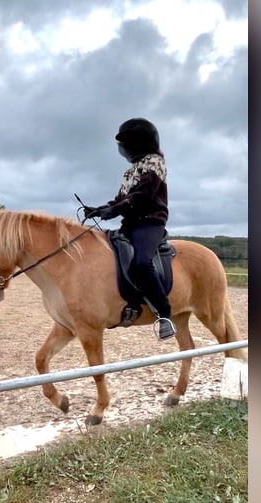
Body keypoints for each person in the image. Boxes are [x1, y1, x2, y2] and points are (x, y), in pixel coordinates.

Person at [83, 117, 176, 340]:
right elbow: (120, 199)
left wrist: (113, 211)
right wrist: (100, 209)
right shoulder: (129, 172)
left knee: (142, 263)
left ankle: (164, 314)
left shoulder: (155, 161)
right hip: (130, 224)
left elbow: (143, 196)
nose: (123, 149)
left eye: (127, 144)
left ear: (139, 143)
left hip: (150, 222)